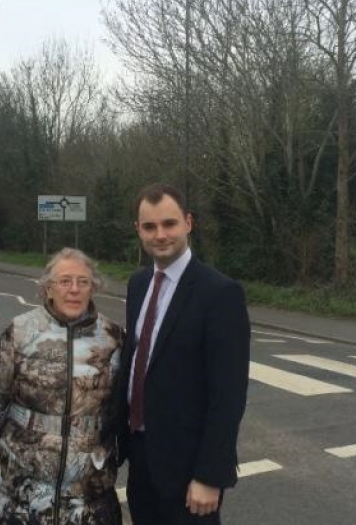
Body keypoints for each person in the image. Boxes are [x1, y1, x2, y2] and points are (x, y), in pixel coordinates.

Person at [118, 183, 251, 525]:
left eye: (169, 223)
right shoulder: (137, 284)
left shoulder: (220, 293)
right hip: (141, 459)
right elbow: (137, 363)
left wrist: (210, 476)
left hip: (190, 471)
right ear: (138, 230)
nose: (160, 234)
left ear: (188, 223)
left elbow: (229, 396)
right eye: (149, 226)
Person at [0, 247, 124, 525]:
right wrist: (26, 441)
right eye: (64, 281)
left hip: (88, 494)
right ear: (47, 288)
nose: (74, 289)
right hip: (21, 491)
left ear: (93, 288)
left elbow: (119, 408)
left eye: (83, 282)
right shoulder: (20, 331)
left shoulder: (113, 337)